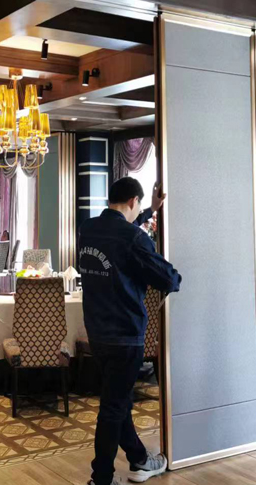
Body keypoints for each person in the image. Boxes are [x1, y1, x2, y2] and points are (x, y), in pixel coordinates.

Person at [78, 177, 181, 485]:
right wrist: (174, 276)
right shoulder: (134, 238)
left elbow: (120, 232)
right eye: (140, 206)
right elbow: (168, 279)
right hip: (125, 335)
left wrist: (151, 211)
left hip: (96, 332)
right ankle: (102, 478)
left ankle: (139, 460)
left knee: (117, 401)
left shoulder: (88, 229)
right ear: (133, 201)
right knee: (113, 408)